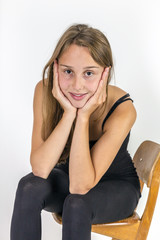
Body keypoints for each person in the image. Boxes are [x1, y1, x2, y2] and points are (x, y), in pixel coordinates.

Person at [10, 23, 141, 240]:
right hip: (70, 176)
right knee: (29, 186)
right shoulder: (44, 91)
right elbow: (41, 169)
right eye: (68, 71)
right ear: (56, 67)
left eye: (89, 73)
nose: (77, 85)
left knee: (76, 204)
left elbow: (80, 187)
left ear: (105, 74)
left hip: (117, 186)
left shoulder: (123, 109)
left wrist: (84, 116)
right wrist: (69, 113)